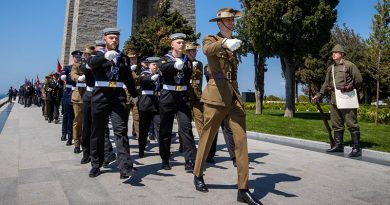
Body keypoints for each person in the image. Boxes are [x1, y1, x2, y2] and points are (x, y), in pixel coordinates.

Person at [192, 8, 262, 205]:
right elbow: (207, 51)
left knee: (241, 141)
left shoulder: (234, 43)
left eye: (233, 20)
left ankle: (243, 188)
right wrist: (224, 42)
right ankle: (198, 174)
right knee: (207, 136)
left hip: (233, 96)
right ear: (219, 23)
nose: (232, 23)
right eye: (228, 20)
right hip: (215, 96)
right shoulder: (210, 39)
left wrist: (230, 45)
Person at [86, 27, 138, 179]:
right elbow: (91, 63)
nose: (114, 40)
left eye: (116, 38)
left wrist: (134, 95)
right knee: (98, 131)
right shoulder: (98, 55)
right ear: (105, 39)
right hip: (101, 95)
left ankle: (125, 167)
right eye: (111, 38)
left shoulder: (123, 57)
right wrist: (105, 57)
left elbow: (128, 77)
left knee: (121, 131)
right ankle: (96, 164)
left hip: (118, 96)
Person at [312, 44, 363, 157]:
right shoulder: (331, 68)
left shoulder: (349, 65)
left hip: (347, 98)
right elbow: (326, 83)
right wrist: (319, 94)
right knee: (336, 123)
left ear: (342, 54)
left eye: (335, 52)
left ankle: (356, 148)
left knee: (351, 122)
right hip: (335, 99)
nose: (333, 54)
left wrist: (350, 88)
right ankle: (338, 145)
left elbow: (358, 80)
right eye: (332, 53)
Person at [158, 33, 197, 171]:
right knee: (165, 129)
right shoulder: (165, 59)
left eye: (183, 42)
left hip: (182, 97)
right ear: (172, 44)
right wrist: (175, 65)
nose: (182, 45)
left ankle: (190, 160)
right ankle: (165, 158)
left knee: (186, 128)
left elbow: (187, 77)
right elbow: (163, 68)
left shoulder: (188, 60)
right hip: (168, 96)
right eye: (179, 42)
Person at [137, 57, 161, 158]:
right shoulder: (144, 73)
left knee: (160, 127)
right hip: (146, 103)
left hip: (157, 103)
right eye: (153, 64)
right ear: (149, 65)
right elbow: (144, 79)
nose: (155, 66)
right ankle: (141, 149)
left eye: (157, 64)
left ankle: (163, 150)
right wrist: (153, 77)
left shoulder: (160, 75)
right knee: (143, 128)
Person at [61, 51, 80, 143]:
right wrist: (63, 76)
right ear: (73, 58)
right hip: (69, 93)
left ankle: (73, 135)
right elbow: (63, 76)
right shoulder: (67, 67)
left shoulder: (81, 67)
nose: (78, 58)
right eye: (76, 57)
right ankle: (66, 135)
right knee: (68, 116)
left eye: (79, 57)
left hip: (79, 93)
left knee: (76, 116)